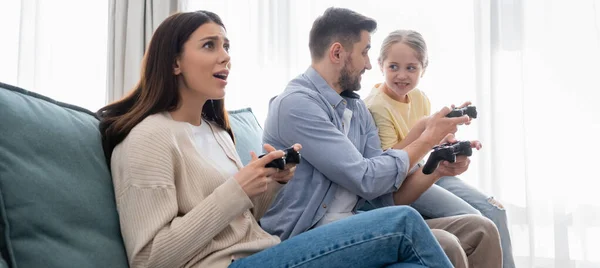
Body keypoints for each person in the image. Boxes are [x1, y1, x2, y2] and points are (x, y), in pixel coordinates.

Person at [97, 10, 455, 268]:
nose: (225, 56)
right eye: (209, 45)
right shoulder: (147, 138)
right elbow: (149, 259)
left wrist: (272, 183)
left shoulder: (216, 131)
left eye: (226, 45)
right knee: (404, 223)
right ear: (174, 62)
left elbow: (245, 218)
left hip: (264, 251)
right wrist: (237, 188)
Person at [261, 7, 503, 268]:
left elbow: (384, 194)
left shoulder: (355, 108)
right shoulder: (297, 105)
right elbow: (366, 178)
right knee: (445, 243)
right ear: (337, 53)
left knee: (481, 230)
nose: (368, 63)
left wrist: (436, 169)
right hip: (306, 234)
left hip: (353, 222)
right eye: (364, 51)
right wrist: (426, 139)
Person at [363, 29, 515, 268]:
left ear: (423, 68)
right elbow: (390, 163)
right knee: (478, 222)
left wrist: (449, 138)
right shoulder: (376, 106)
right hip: (406, 180)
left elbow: (428, 142)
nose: (401, 75)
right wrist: (428, 133)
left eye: (411, 68)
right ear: (380, 64)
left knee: (495, 211)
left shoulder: (419, 97)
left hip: (425, 167)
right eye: (393, 67)